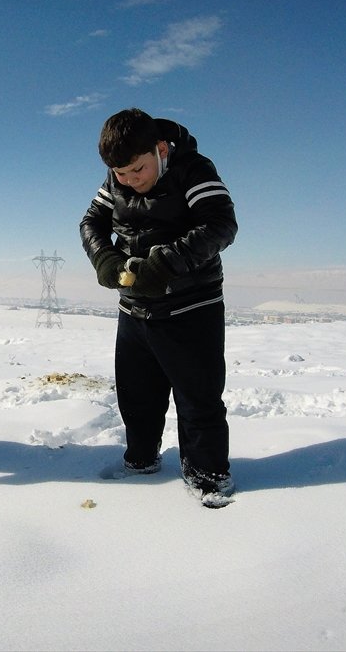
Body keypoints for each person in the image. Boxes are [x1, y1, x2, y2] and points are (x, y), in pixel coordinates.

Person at [79, 108, 238, 507]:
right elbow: (91, 223)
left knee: (197, 400)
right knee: (137, 397)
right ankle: (141, 462)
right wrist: (105, 260)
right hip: (134, 311)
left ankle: (208, 479)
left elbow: (220, 225)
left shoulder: (192, 169)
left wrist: (163, 265)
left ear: (161, 149)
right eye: (121, 174)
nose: (131, 181)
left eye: (138, 169)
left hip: (191, 307)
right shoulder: (116, 178)